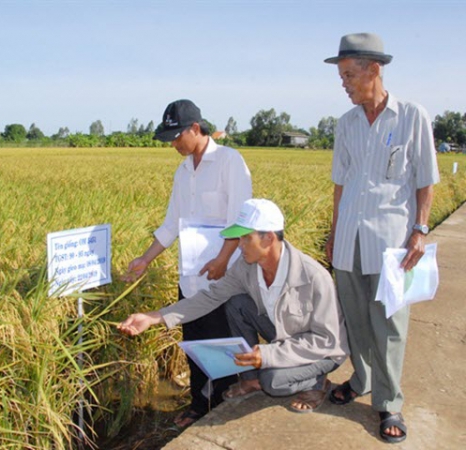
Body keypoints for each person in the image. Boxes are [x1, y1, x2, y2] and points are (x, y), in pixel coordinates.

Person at [119, 199, 349, 414]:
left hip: (323, 350)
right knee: (236, 303)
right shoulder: (247, 266)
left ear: (268, 239)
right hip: (286, 336)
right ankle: (249, 380)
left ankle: (318, 382)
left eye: (245, 238)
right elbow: (211, 297)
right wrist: (154, 317)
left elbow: (325, 340)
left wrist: (268, 354)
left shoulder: (314, 277)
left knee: (272, 381)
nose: (240, 246)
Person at [324, 33, 440, 444]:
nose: (344, 83)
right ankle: (362, 379)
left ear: (375, 69)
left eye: (349, 74)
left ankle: (389, 402)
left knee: (390, 325)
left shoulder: (411, 117)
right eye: (341, 76)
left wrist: (420, 230)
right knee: (356, 321)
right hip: (349, 240)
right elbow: (341, 184)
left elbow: (425, 181)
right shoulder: (346, 124)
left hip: (392, 244)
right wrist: (335, 233)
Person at [123, 99, 252, 427]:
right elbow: (172, 224)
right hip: (192, 276)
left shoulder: (229, 162)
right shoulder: (182, 172)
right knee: (194, 342)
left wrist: (223, 260)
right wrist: (145, 259)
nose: (173, 145)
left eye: (176, 136)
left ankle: (225, 406)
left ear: (195, 128)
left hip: (226, 276)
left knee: (223, 342)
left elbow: (240, 219)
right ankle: (198, 403)